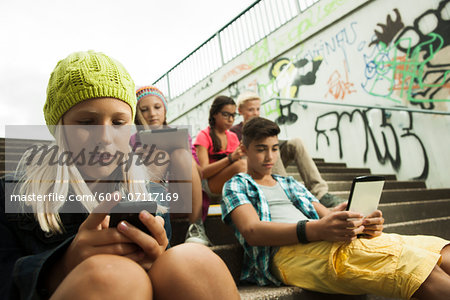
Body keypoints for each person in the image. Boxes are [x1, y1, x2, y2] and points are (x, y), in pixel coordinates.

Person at [0, 51, 240, 300]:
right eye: (86, 122)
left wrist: (157, 259)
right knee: (111, 276)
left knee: (194, 260)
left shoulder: (151, 196)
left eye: (118, 122)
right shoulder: (12, 195)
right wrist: (59, 267)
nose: (104, 137)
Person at [222, 117, 450, 299]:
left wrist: (358, 222)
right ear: (244, 149)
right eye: (261, 149)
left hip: (320, 240)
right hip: (284, 253)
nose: (270, 157)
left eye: (274, 148)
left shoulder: (289, 183)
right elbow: (252, 232)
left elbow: (326, 216)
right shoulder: (236, 185)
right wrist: (315, 230)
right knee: (411, 265)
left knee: (436, 249)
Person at [230, 91, 343, 208]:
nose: (256, 113)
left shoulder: (264, 125)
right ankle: (286, 193)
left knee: (295, 142)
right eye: (251, 110)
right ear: (240, 111)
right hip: (253, 167)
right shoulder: (234, 132)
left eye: (258, 109)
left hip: (270, 163)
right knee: (271, 150)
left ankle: (320, 193)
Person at [131, 86, 212, 246]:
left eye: (157, 107)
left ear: (165, 109)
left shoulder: (180, 134)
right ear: (138, 114)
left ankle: (196, 227)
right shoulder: (133, 140)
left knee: (181, 155)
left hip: (182, 197)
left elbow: (200, 172)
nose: (152, 114)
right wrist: (139, 161)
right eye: (145, 109)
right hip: (154, 199)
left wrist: (183, 155)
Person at [194, 95, 246, 201]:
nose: (230, 119)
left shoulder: (233, 136)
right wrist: (230, 158)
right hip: (208, 185)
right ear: (214, 114)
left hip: (229, 181)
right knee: (241, 165)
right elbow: (203, 172)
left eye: (233, 115)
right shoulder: (204, 135)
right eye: (226, 115)